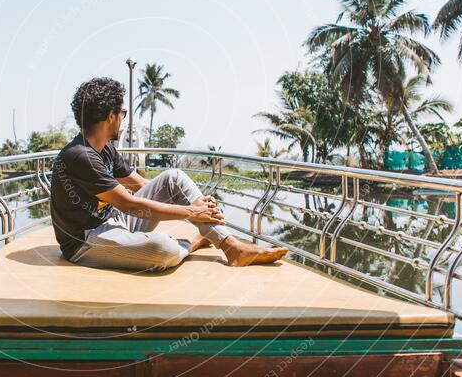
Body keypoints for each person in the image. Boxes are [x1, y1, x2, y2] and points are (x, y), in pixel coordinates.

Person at [49, 76, 289, 271]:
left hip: (115, 221)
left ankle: (232, 247)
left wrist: (192, 204)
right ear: (111, 116)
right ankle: (194, 241)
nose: (122, 119)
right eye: (122, 113)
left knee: (173, 178)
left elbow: (140, 184)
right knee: (163, 249)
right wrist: (193, 211)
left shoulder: (105, 147)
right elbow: (130, 205)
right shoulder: (80, 156)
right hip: (87, 240)